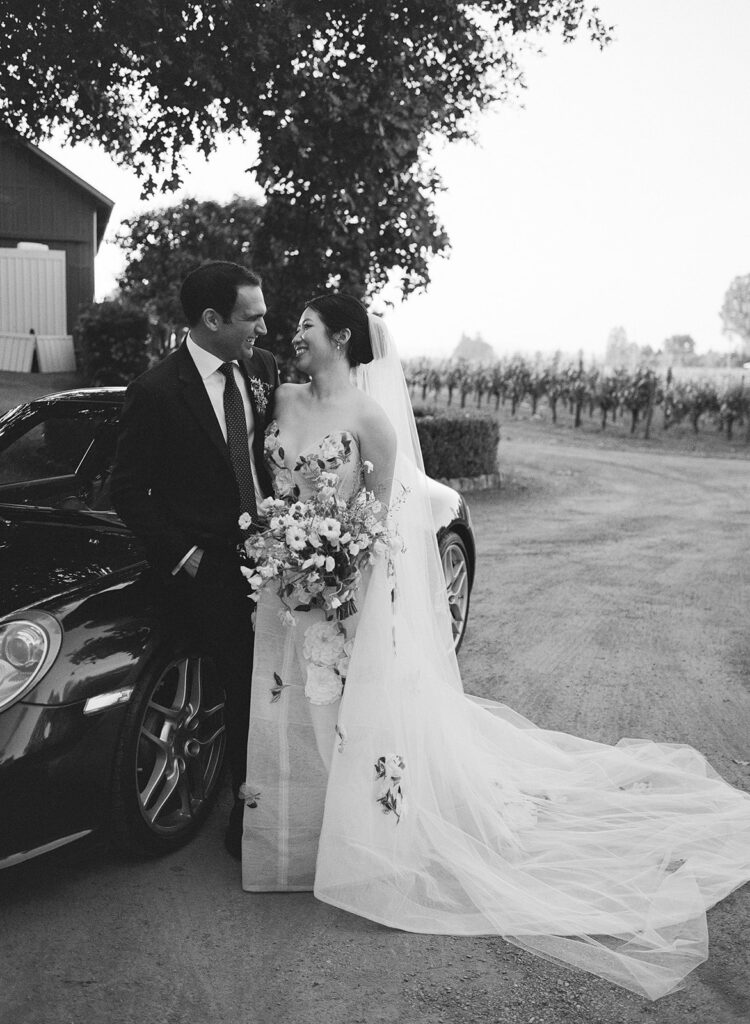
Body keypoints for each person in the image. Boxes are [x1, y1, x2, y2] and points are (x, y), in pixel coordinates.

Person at [240, 293, 750, 1001]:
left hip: (341, 587)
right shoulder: (281, 394)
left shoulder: (371, 419)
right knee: (289, 704)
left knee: (349, 715)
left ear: (342, 337)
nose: (294, 336)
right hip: (280, 577)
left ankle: (355, 849)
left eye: (305, 327)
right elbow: (274, 476)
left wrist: (339, 575)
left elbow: (384, 515)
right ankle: (289, 847)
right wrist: (284, 555)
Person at [111, 261, 280, 858]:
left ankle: (280, 798)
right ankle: (246, 812)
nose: (264, 325)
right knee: (237, 688)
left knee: (276, 686)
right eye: (252, 316)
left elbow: (271, 455)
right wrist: (186, 558)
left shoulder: (262, 369)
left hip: (278, 560)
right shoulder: (156, 392)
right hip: (207, 570)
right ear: (212, 319)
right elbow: (126, 491)